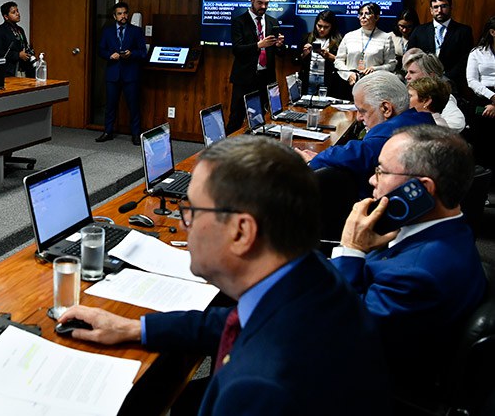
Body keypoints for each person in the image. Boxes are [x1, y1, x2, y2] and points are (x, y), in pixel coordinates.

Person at [59, 136, 390, 415]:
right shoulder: (312, 274)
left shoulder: (259, 389)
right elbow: (234, 321)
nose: (185, 223)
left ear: (241, 231)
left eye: (191, 211)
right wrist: (134, 327)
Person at [330, 125, 486, 399]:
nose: (371, 180)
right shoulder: (453, 228)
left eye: (382, 171)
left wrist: (351, 248)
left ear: (421, 188)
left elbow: (342, 333)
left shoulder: (418, 275)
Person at [301, 71, 434, 196]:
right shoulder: (421, 120)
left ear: (386, 108)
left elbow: (357, 153)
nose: (358, 117)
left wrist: (312, 162)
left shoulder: (387, 137)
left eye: (363, 111)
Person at [226, 0, 285, 134]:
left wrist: (279, 46)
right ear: (252, 0)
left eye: (266, 3)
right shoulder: (239, 22)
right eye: (260, 3)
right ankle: (225, 153)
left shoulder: (273, 22)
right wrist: (259, 45)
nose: (263, 6)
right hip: (245, 78)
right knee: (236, 118)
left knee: (262, 119)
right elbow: (237, 50)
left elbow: (280, 54)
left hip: (266, 79)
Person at [96, 1, 147, 145]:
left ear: (128, 14)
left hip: (131, 74)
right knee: (110, 105)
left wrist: (132, 53)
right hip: (113, 73)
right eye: (120, 14)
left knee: (133, 106)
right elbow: (101, 50)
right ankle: (108, 131)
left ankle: (136, 134)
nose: (123, 16)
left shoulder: (136, 31)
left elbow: (143, 52)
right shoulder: (107, 31)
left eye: (125, 13)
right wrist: (109, 56)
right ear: (114, 16)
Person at [407, 0, 474, 92]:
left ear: (450, 8)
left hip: (452, 83)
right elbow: (411, 54)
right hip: (422, 81)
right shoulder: (419, 30)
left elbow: (465, 58)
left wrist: (446, 78)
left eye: (444, 6)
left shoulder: (464, 31)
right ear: (431, 10)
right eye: (436, 7)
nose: (439, 10)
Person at [334, 2, 397, 94]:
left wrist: (375, 69)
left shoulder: (386, 37)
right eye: (361, 14)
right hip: (349, 82)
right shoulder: (349, 36)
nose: (363, 17)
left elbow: (391, 65)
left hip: (374, 84)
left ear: (377, 17)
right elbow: (338, 61)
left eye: (367, 13)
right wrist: (348, 74)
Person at [403, 51, 466, 131]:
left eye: (412, 72)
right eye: (407, 72)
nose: (406, 77)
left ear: (430, 75)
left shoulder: (442, 98)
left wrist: (428, 132)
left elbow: (458, 123)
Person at [465, 16, 495, 169]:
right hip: (482, 97)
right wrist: (492, 97)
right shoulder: (477, 52)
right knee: (480, 141)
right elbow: (471, 80)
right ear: (492, 32)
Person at [294, 10, 343, 98]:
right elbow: (295, 61)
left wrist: (328, 56)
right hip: (308, 78)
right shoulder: (306, 37)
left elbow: (342, 63)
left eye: (326, 27)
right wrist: (304, 54)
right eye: (319, 26)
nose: (322, 30)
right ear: (315, 24)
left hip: (328, 80)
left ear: (332, 27)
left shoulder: (338, 41)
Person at [0, 1, 35, 77]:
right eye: (13, 12)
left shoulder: (20, 29)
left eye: (17, 11)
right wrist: (18, 55)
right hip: (9, 71)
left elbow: (24, 45)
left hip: (24, 69)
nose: (17, 14)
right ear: (6, 16)